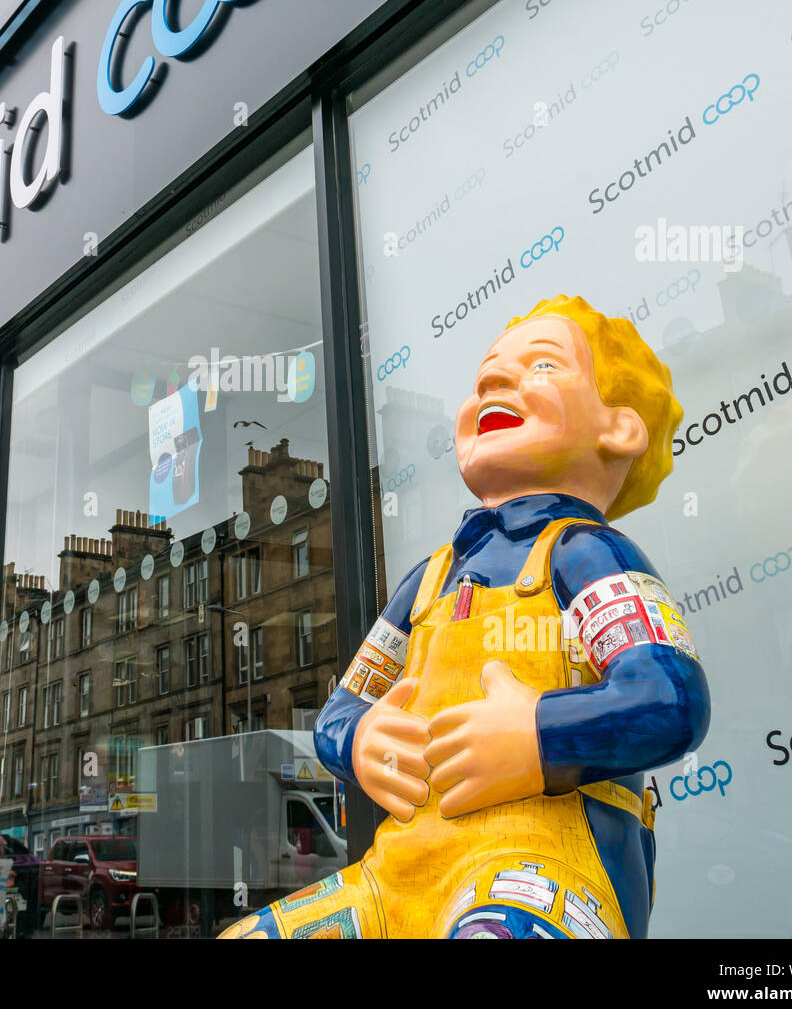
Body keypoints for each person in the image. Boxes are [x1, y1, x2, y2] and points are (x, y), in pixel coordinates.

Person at [221, 295, 711, 939]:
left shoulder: (588, 555)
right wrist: (361, 740)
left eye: (541, 364)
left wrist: (537, 736)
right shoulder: (427, 581)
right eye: (487, 370)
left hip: (542, 870)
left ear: (618, 429)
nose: (492, 381)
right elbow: (340, 710)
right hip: (395, 877)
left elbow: (669, 698)